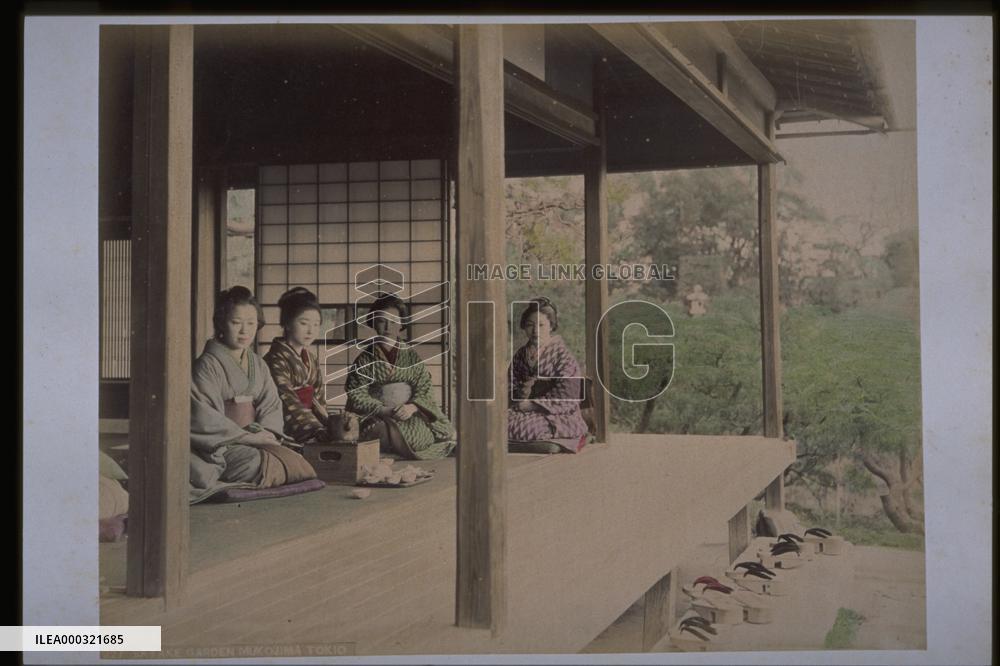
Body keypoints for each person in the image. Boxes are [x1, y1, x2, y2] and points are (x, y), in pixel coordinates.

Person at [189, 286, 316, 504]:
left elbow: (271, 404)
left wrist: (266, 432)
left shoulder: (257, 363)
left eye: (251, 323)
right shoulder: (206, 365)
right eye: (236, 323)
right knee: (256, 463)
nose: (244, 331)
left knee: (295, 459)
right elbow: (204, 417)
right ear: (221, 323)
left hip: (257, 438)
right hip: (221, 445)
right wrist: (247, 438)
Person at [344, 293, 455, 459]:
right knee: (376, 432)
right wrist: (384, 410)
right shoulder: (364, 359)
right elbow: (356, 393)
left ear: (402, 323)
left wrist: (412, 408)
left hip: (408, 413)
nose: (388, 326)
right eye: (382, 321)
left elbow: (424, 387)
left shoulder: (411, 357)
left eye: (394, 321)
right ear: (373, 322)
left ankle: (393, 449)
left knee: (425, 435)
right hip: (378, 415)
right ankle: (394, 447)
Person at [507, 297, 589, 443]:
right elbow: (510, 385)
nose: (535, 331)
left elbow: (567, 396)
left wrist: (532, 405)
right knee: (496, 421)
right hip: (521, 409)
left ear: (551, 326)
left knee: (529, 428)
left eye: (541, 325)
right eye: (530, 325)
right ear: (524, 327)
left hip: (558, 414)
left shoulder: (563, 356)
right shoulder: (521, 355)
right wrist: (519, 395)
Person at [263, 287, 333, 444]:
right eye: (304, 323)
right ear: (287, 323)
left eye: (316, 325)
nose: (311, 330)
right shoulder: (274, 359)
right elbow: (286, 400)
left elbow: (318, 399)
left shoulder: (312, 359)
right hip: (286, 424)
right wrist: (315, 429)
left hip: (312, 425)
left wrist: (328, 425)